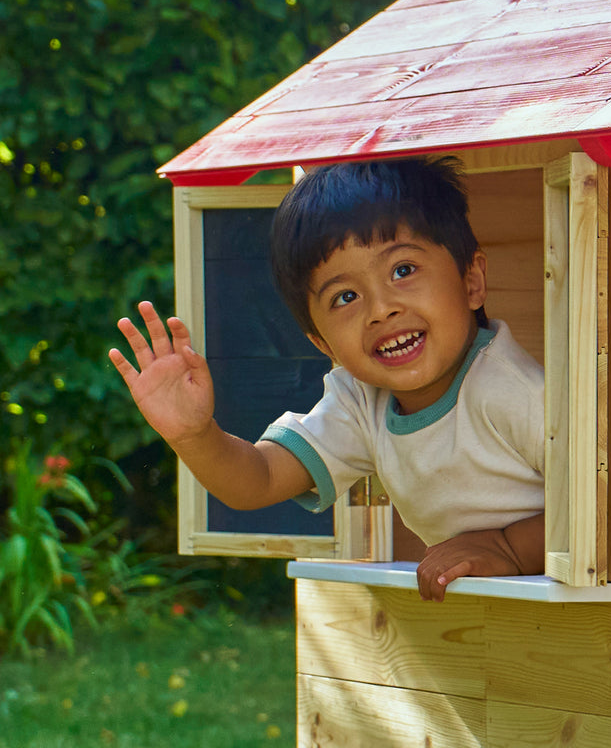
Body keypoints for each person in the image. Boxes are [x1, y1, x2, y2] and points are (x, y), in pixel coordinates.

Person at [109, 157, 545, 602]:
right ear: (322, 344)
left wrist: (508, 547)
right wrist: (195, 434)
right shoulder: (359, 401)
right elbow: (258, 479)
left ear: (472, 281)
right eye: (346, 297)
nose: (381, 309)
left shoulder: (514, 390)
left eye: (403, 270)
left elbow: (607, 513)